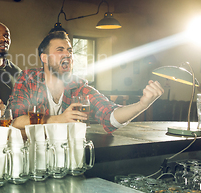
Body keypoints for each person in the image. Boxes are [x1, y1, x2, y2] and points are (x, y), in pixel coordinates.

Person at [10, 31, 164, 133]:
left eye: (69, 51)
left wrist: (142, 105)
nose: (68, 55)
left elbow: (110, 117)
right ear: (44, 58)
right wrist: (59, 119)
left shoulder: (78, 87)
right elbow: (15, 121)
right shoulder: (28, 80)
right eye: (60, 50)